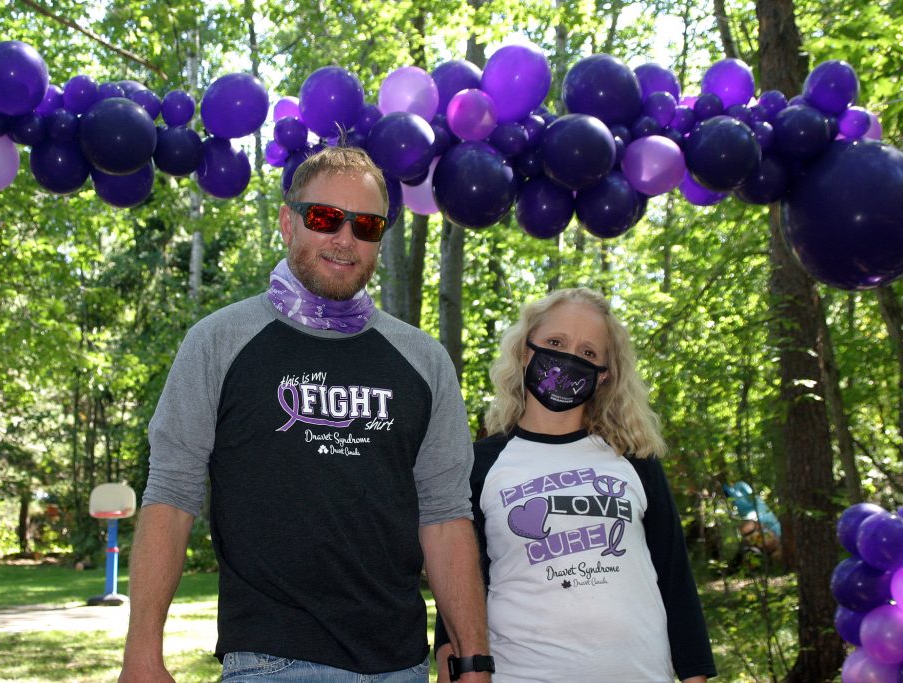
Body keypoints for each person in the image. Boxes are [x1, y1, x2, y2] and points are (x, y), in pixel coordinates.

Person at [119, 146, 492, 682]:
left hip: (403, 666)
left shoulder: (424, 361)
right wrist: (142, 653)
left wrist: (474, 658)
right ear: (287, 222)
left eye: (365, 225)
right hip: (271, 661)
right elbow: (171, 497)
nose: (345, 239)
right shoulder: (219, 342)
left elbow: (446, 516)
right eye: (324, 218)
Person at [434, 288, 717, 682]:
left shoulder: (633, 458)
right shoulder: (479, 464)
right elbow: (459, 589)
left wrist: (695, 676)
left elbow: (675, 580)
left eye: (587, 353)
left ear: (604, 376)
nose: (567, 359)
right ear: (525, 351)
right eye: (555, 343)